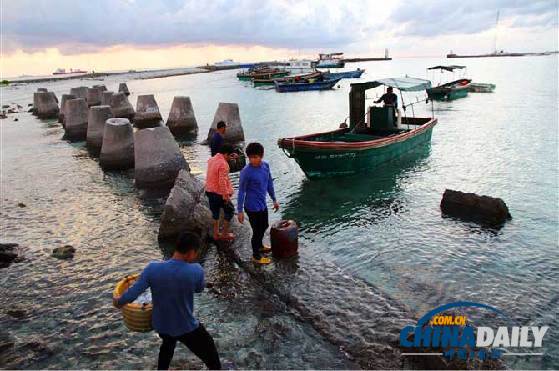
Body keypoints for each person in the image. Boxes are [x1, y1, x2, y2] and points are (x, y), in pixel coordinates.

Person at [113, 232, 221, 370]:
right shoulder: (196, 270)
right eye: (196, 253)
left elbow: (132, 294)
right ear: (190, 252)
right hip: (185, 327)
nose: (196, 256)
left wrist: (117, 302)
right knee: (211, 355)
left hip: (161, 325)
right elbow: (199, 289)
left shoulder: (152, 268)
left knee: (168, 344)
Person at [237, 142, 279, 265]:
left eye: (255, 157)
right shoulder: (246, 172)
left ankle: (260, 246)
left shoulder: (266, 166)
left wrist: (274, 199)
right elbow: (241, 191)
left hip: (262, 204)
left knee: (264, 225)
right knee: (257, 231)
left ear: (261, 156)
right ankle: (256, 256)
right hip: (251, 207)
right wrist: (240, 211)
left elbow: (269, 183)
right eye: (250, 158)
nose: (253, 160)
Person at [205, 144, 235, 241]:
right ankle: (224, 234)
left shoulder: (212, 159)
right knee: (230, 211)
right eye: (230, 155)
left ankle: (216, 233)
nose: (230, 158)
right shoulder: (223, 164)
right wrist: (225, 195)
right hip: (218, 193)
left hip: (209, 191)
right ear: (226, 154)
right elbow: (222, 181)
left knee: (215, 213)